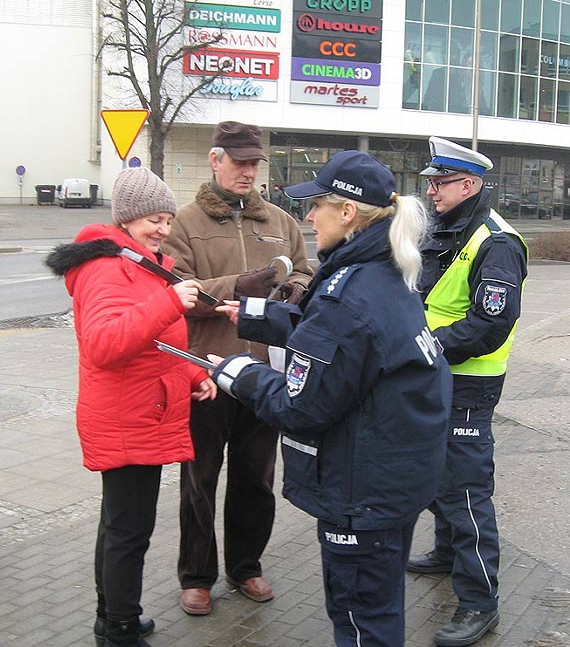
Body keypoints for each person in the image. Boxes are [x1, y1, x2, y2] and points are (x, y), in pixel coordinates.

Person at [209, 150, 453, 646]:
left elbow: (303, 405)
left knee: (362, 620)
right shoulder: (382, 270)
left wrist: (241, 373)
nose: (308, 216)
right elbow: (345, 347)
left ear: (347, 213)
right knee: (378, 609)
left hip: (361, 487)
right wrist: (258, 316)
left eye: (317, 204)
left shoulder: (350, 294)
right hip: (393, 478)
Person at [46, 167, 217, 647]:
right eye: (153, 220)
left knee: (120, 524)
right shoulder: (107, 267)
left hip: (138, 411)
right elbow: (105, 343)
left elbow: (152, 348)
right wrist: (169, 303)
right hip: (125, 418)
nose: (163, 229)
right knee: (129, 530)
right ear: (126, 219)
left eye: (167, 219)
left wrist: (193, 376)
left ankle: (113, 616)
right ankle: (119, 629)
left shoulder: (137, 261)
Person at [161, 121, 313, 616]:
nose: (249, 171)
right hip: (205, 370)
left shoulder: (281, 221)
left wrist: (296, 290)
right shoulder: (185, 223)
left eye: (254, 163)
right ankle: (197, 576)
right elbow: (176, 293)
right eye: (240, 161)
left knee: (255, 478)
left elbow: (305, 271)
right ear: (216, 159)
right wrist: (237, 286)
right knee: (199, 479)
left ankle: (246, 566)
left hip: (263, 373)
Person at [406, 137, 528, 647]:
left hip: (469, 385)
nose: (431, 190)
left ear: (470, 185)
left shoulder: (496, 242)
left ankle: (480, 601)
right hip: (435, 377)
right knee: (435, 475)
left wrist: (423, 346)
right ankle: (446, 552)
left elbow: (487, 326)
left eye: (440, 182)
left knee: (466, 492)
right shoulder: (446, 229)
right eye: (430, 181)